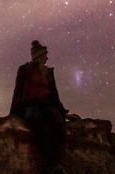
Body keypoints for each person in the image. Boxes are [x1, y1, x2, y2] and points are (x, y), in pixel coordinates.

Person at [10, 40, 68, 174]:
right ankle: (52, 164)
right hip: (31, 105)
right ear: (39, 56)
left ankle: (56, 162)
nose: (47, 58)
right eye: (45, 55)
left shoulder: (48, 72)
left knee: (58, 123)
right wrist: (13, 114)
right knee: (36, 121)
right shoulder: (25, 70)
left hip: (48, 105)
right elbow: (18, 91)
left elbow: (54, 94)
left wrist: (63, 112)